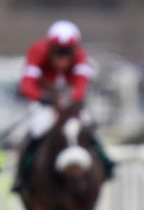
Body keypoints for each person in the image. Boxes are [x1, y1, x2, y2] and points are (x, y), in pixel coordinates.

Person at [12, 20, 97, 192]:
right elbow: (26, 84)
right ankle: (23, 177)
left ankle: (105, 166)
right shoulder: (37, 51)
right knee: (38, 128)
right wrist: (44, 97)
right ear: (50, 48)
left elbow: (81, 84)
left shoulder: (81, 55)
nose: (62, 58)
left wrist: (72, 100)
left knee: (88, 126)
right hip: (45, 101)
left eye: (67, 53)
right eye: (58, 52)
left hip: (70, 102)